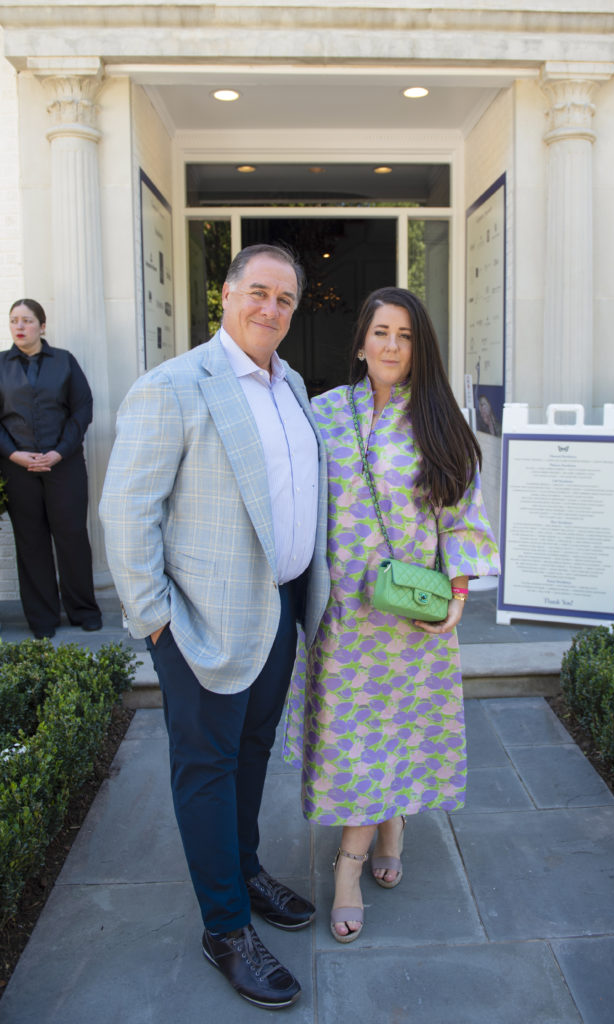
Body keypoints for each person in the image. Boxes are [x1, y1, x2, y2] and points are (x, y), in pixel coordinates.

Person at [99, 244, 329, 1011]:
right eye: (257, 292)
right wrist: (157, 622)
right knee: (206, 767)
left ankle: (245, 867)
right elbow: (127, 515)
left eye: (285, 299)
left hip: (281, 608)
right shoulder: (173, 386)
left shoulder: (290, 382)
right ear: (225, 295)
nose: (271, 309)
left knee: (254, 750)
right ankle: (225, 927)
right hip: (199, 625)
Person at [284, 286, 500, 942]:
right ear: (360, 341)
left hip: (410, 618)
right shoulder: (321, 415)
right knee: (354, 740)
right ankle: (387, 825)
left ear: (419, 348)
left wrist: (457, 598)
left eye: (405, 335)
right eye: (381, 332)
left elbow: (460, 519)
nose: (391, 346)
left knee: (397, 732)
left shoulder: (438, 421)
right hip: (342, 620)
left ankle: (349, 866)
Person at [0, 299, 101, 639]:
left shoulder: (64, 361)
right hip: (18, 469)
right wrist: (14, 455)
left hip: (65, 466)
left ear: (42, 326)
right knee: (31, 542)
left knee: (72, 537)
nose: (19, 326)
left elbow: (82, 409)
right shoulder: (0, 364)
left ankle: (83, 610)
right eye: (14, 320)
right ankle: (42, 619)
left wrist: (59, 452)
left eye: (27, 320)